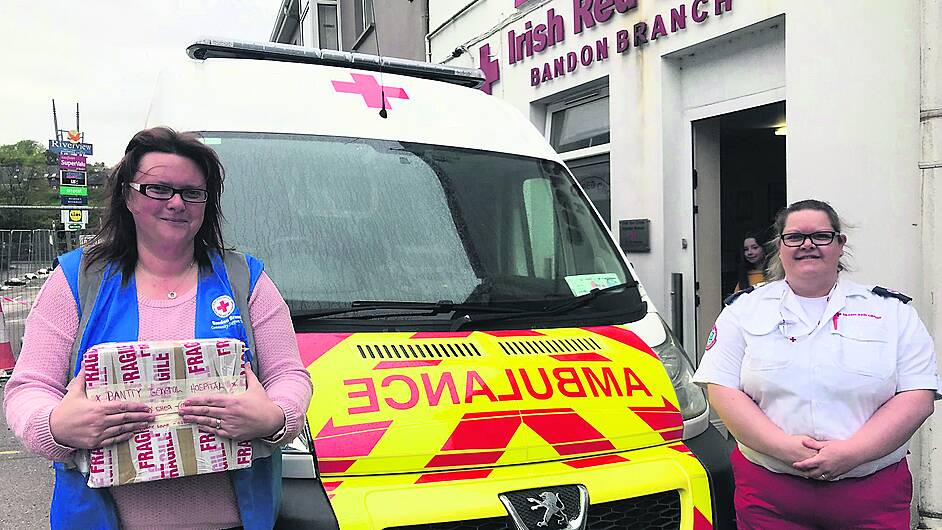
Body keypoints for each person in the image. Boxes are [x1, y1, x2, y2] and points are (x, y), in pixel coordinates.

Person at [3, 127, 313, 530]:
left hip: (237, 521)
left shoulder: (244, 279)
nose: (177, 203)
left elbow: (289, 375)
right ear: (128, 196)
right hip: (100, 519)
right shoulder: (77, 280)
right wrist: (56, 426)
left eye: (192, 192)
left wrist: (274, 418)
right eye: (158, 189)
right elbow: (28, 387)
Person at [693, 199, 939, 529]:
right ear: (780, 247)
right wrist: (784, 448)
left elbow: (917, 396)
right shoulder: (744, 310)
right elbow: (722, 390)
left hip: (871, 494)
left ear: (840, 243)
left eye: (821, 235)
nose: (807, 244)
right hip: (770, 495)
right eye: (794, 237)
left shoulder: (893, 311)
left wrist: (852, 453)